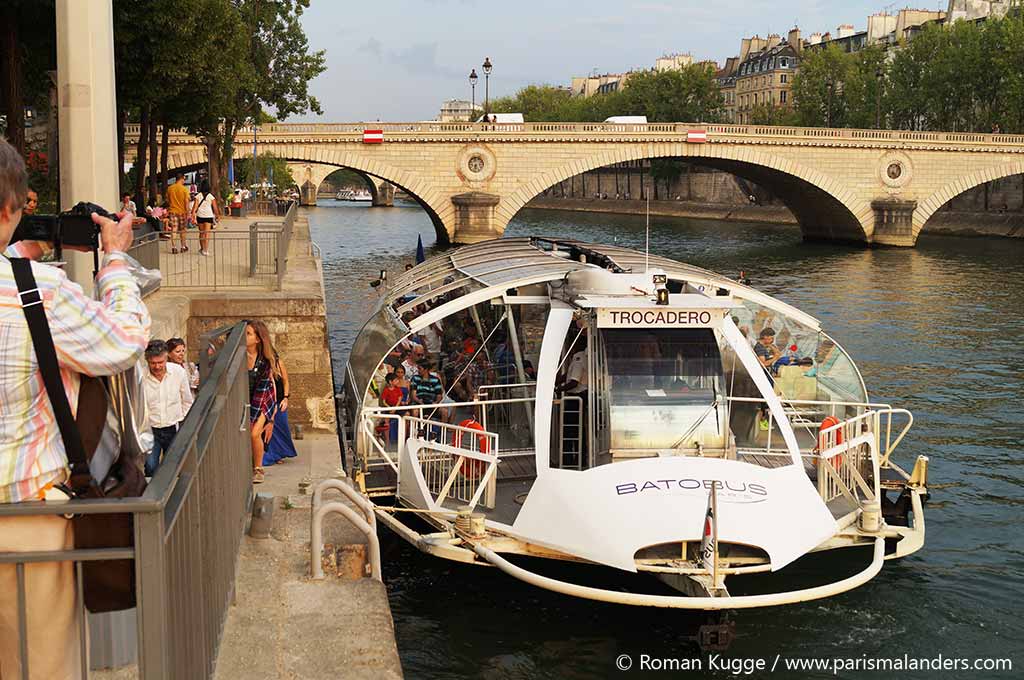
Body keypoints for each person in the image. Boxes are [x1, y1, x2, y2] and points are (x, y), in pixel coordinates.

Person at [0, 138, 150, 678]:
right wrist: (114, 259)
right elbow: (125, 340)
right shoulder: (35, 293)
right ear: (9, 211)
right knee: (41, 665)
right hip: (23, 522)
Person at [142, 339, 194, 476]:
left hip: (174, 428)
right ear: (147, 361)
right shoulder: (141, 378)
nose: (157, 367)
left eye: (161, 362)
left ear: (166, 358)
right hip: (151, 429)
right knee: (150, 466)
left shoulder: (178, 373)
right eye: (153, 363)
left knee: (174, 468)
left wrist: (181, 421)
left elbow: (187, 400)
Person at [246, 320, 277, 484]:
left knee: (254, 433)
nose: (244, 337)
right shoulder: (240, 357)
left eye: (248, 334)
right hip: (246, 398)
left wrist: (270, 419)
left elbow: (266, 389)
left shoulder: (265, 361)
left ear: (258, 339)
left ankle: (258, 468)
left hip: (264, 399)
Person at [262, 341, 298, 466]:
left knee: (281, 428)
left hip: (279, 401)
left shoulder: (279, 363)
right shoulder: (262, 366)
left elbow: (286, 382)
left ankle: (280, 453)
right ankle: (270, 455)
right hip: (267, 403)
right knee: (267, 429)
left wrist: (286, 398)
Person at [190, 179, 219, 256]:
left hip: (200, 216)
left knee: (201, 233)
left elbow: (195, 207)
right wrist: (217, 216)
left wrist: (193, 214)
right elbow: (215, 208)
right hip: (209, 216)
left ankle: (202, 248)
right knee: (207, 234)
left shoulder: (198, 196)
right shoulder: (211, 196)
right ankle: (205, 250)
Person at [166, 172, 190, 254]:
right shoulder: (184, 189)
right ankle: (183, 246)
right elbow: (186, 202)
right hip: (182, 212)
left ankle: (174, 247)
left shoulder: (170, 188)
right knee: (183, 230)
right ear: (182, 178)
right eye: (184, 179)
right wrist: (188, 213)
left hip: (172, 211)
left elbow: (168, 200)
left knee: (174, 229)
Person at [380, 372, 404, 445]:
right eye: (396, 380)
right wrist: (390, 408)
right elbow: (384, 402)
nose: (398, 381)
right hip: (389, 408)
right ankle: (387, 441)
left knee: (406, 415)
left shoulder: (397, 389)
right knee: (386, 421)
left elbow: (400, 398)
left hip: (397, 407)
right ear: (390, 381)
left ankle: (403, 439)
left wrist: (395, 408)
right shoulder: (386, 390)